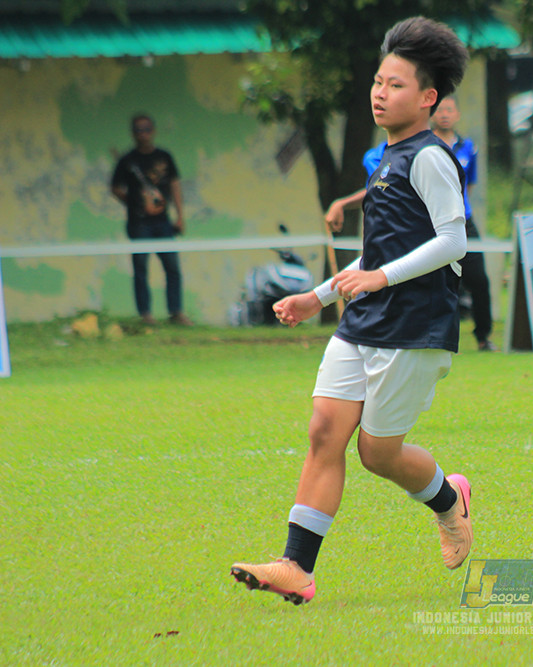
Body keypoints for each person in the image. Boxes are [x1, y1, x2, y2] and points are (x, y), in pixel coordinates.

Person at [231, 16, 472, 605]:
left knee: (377, 454)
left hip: (414, 327)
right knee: (324, 432)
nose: (379, 93)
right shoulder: (386, 159)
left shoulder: (430, 157)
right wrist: (316, 297)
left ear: (428, 97)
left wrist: (377, 277)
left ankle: (449, 500)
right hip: (364, 321)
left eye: (395, 84)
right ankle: (296, 566)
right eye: (378, 81)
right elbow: (376, 253)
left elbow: (453, 240)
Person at [110, 114, 192, 326]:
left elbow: (175, 185)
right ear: (133, 133)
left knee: (172, 266)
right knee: (141, 269)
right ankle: (145, 314)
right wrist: (132, 202)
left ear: (153, 131)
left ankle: (176, 312)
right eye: (138, 130)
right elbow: (115, 188)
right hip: (138, 223)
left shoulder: (164, 156)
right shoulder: (127, 160)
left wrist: (180, 216)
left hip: (163, 222)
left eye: (146, 129)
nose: (143, 134)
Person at [432, 95, 496, 351]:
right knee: (435, 281)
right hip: (432, 222)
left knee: (479, 280)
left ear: (457, 114)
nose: (444, 114)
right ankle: (433, 336)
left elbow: (469, 184)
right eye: (440, 110)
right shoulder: (425, 146)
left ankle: (483, 337)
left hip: (463, 220)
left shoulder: (468, 147)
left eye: (449, 110)